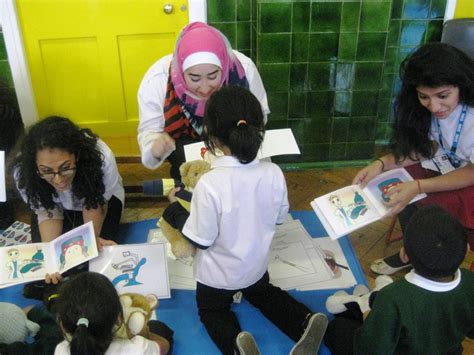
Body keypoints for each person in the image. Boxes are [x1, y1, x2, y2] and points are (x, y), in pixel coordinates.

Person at [173, 86, 327, 355]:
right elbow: (279, 219)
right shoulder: (273, 172)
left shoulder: (209, 183)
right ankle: (303, 322)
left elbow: (202, 240)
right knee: (265, 294)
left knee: (211, 311)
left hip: (217, 277)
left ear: (212, 136)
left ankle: (235, 347)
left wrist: (176, 211)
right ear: (258, 128)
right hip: (255, 267)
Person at [352, 42, 474, 275]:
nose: (434, 106)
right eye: (423, 97)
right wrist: (381, 164)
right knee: (398, 184)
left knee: (424, 203)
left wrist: (418, 186)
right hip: (449, 165)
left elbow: (471, 172)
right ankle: (414, 252)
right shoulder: (427, 108)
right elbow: (427, 148)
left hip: (469, 178)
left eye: (442, 95)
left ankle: (432, 263)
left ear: (461, 84)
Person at [324, 205, 474, 354]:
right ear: (466, 249)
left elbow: (371, 349)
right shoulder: (470, 281)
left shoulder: (393, 297)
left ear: (404, 256)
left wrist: (368, 317)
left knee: (338, 328)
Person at [137, 21, 269, 180]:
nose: (205, 88)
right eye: (195, 78)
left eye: (213, 76)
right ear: (180, 72)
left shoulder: (243, 70)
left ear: (224, 66)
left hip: (234, 148)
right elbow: (149, 141)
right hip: (187, 161)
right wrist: (155, 149)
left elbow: (259, 117)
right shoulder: (157, 80)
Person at [13, 116, 124, 248]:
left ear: (76, 155)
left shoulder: (100, 160)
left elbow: (95, 204)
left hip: (97, 203)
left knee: (94, 250)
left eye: (65, 168)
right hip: (57, 207)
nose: (59, 180)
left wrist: (91, 239)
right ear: (35, 164)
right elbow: (48, 211)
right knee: (48, 251)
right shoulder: (23, 171)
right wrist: (51, 252)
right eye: (47, 171)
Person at [54, 271, 171, 355]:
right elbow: (164, 347)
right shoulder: (138, 347)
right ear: (119, 319)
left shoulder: (60, 350)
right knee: (157, 327)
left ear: (63, 326)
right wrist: (133, 334)